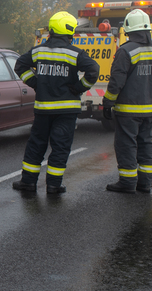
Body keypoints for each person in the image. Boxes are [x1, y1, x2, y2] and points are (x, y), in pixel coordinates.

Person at [12, 11, 100, 194]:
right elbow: (93, 70)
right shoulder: (74, 53)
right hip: (66, 111)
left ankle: (28, 182)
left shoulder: (38, 51)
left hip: (43, 110)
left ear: (51, 30)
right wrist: (78, 88)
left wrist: (35, 83)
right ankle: (53, 185)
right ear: (69, 32)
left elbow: (20, 65)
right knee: (61, 146)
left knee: (36, 145)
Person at [103, 9, 152, 194]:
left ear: (128, 29)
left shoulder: (126, 51)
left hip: (128, 110)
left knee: (126, 144)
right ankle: (145, 182)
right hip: (150, 110)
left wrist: (108, 102)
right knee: (145, 143)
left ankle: (127, 182)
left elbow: (117, 81)